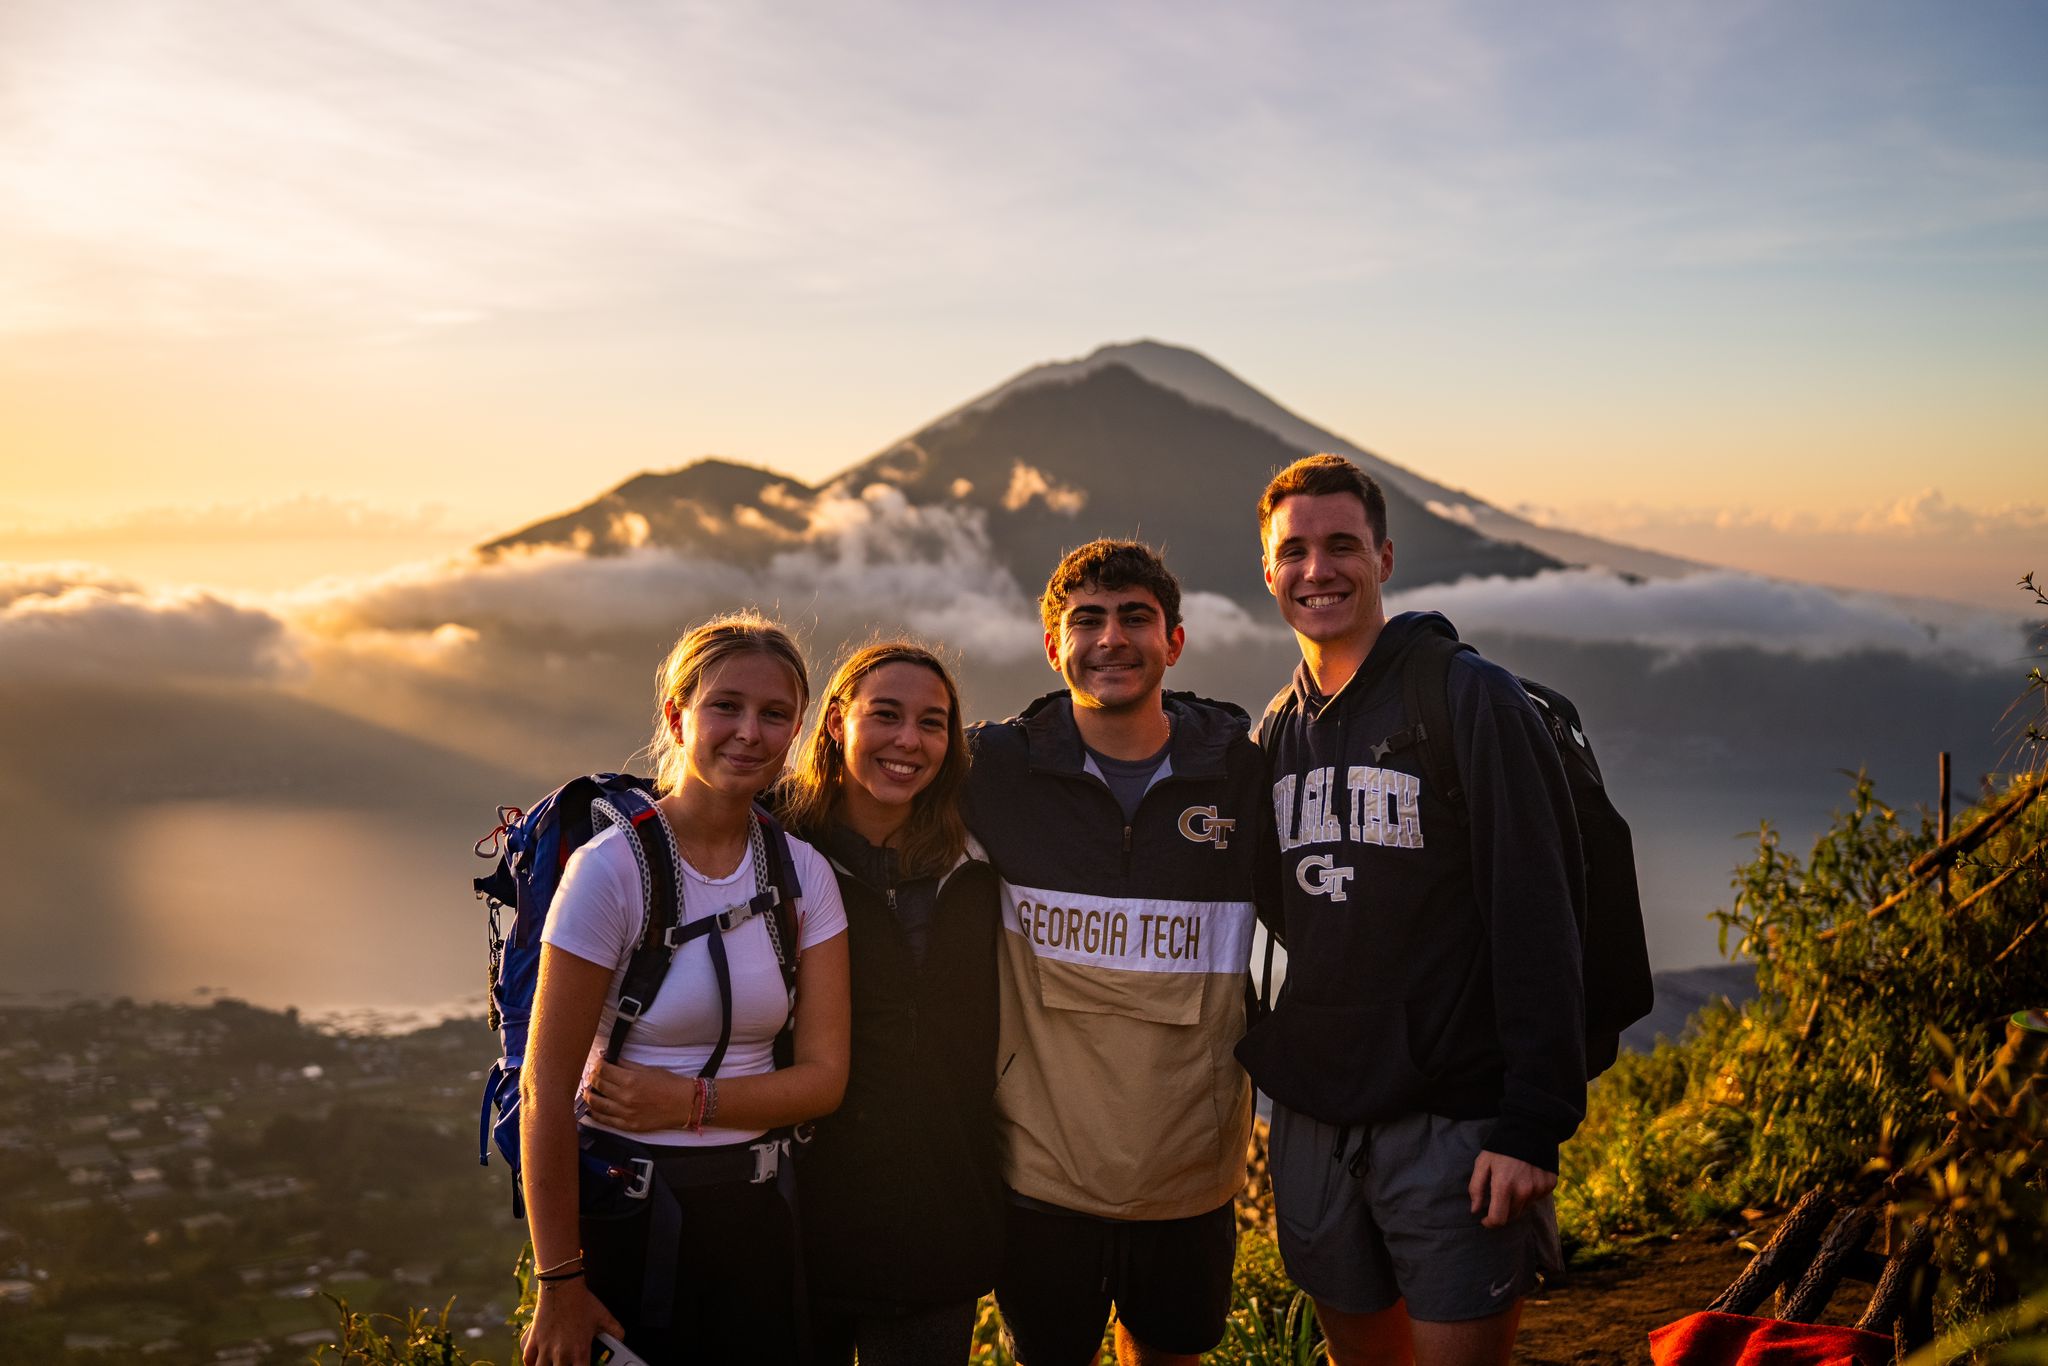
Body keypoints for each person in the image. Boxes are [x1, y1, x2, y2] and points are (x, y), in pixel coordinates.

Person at [1236, 454, 1586, 1366]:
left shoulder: (1468, 699)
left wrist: (1530, 1126)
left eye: (1342, 545)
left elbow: (1540, 910)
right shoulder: (1278, 731)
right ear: (1267, 571)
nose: (1319, 571)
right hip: (1314, 1123)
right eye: (1296, 552)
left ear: (1384, 557)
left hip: (1453, 1128)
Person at [963, 539, 1272, 1366]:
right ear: (1052, 645)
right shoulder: (993, 770)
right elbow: (854, 789)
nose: (1111, 639)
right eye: (1086, 620)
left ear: (1174, 640)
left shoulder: (1244, 780)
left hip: (1190, 1172)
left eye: (1135, 617)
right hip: (1042, 1173)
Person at [519, 613, 852, 1366]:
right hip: (628, 1225)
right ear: (677, 715)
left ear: (797, 730)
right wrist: (559, 1281)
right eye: (725, 707)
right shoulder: (611, 870)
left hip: (762, 1220)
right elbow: (546, 1090)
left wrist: (691, 1103)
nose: (749, 733)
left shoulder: (803, 875)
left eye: (774, 715)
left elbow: (826, 1080)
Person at [776, 641, 1006, 1366]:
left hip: (935, 1222)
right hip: (789, 1228)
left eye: (932, 723)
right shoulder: (771, 851)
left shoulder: (981, 860)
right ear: (837, 721)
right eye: (887, 715)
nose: (909, 740)